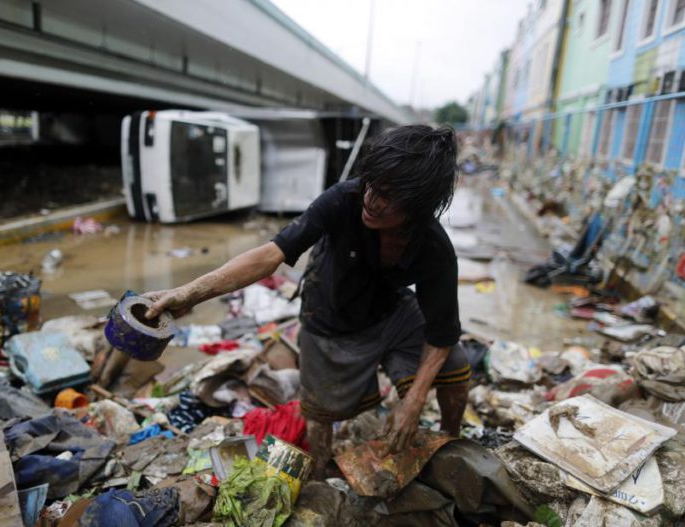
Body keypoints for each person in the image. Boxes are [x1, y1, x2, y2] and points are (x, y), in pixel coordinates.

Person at [143, 124, 470, 478]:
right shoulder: (345, 198)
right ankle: (320, 470)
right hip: (328, 315)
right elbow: (269, 255)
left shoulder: (435, 250)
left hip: (392, 312)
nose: (372, 200)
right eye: (372, 183)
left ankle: (451, 443)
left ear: (418, 208)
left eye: (389, 197)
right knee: (320, 413)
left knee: (455, 367)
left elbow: (441, 333)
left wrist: (415, 400)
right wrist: (187, 293)